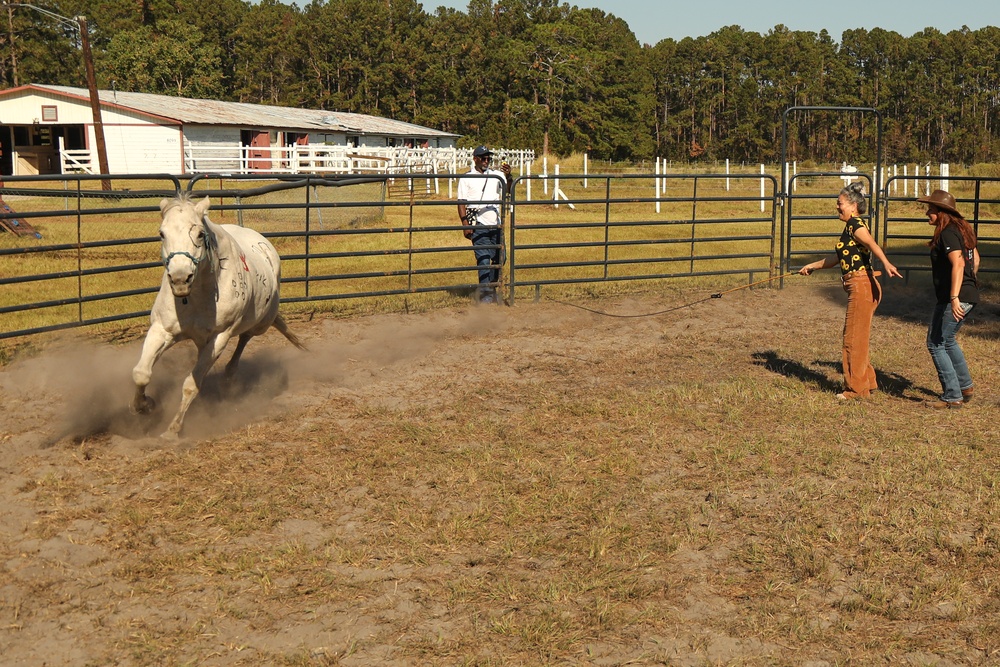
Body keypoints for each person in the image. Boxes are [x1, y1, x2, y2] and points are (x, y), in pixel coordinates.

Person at [798, 182, 902, 399]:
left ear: (853, 205)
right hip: (862, 285)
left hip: (862, 285)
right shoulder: (850, 228)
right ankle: (867, 382)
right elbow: (837, 258)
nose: (837, 207)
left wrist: (887, 263)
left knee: (852, 339)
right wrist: (812, 266)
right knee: (858, 337)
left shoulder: (856, 225)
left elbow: (872, 244)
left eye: (840, 203)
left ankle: (855, 389)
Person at [919, 189, 979, 409]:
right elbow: (975, 259)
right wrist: (970, 284)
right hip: (965, 294)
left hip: (955, 297)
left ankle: (953, 395)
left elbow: (960, 263)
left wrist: (955, 296)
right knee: (948, 340)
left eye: (931, 210)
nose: (928, 213)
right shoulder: (963, 231)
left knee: (936, 344)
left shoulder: (947, 233)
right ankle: (965, 386)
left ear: (942, 212)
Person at [457, 145, 512, 304]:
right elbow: (461, 202)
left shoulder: (496, 175)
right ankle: (485, 295)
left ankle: (492, 288)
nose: (486, 161)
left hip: (496, 224)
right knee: (484, 259)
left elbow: (507, 190)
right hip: (478, 223)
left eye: (489, 158)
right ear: (475, 159)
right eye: (483, 158)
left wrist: (508, 176)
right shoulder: (467, 177)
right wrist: (465, 223)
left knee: (500, 258)